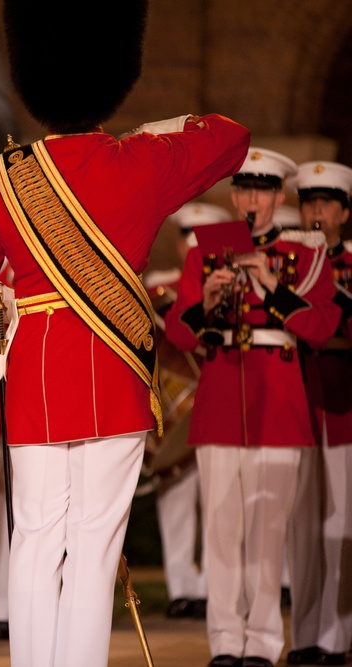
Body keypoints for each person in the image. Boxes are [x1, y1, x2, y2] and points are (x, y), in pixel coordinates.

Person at [0, 2, 251, 665]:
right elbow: (229, 135)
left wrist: (12, 312)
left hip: (36, 376)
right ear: (115, 78)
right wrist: (153, 126)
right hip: (113, 372)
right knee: (95, 541)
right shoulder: (143, 162)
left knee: (37, 538)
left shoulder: (6, 175)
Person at [165, 147, 341, 667]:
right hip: (222, 395)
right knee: (221, 531)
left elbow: (321, 327)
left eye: (261, 190)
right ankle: (224, 640)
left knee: (267, 532)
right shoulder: (204, 255)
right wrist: (207, 301)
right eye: (242, 189)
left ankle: (262, 641)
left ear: (277, 197)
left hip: (280, 401)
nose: (250, 199)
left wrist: (272, 286)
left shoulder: (305, 257)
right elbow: (179, 331)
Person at [142, 201, 231, 621]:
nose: (192, 245)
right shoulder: (161, 286)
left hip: (215, 403)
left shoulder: (231, 282)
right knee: (176, 497)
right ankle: (182, 588)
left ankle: (215, 586)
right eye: (186, 237)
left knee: (217, 504)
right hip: (177, 410)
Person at [285, 159, 352, 667]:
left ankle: (338, 637)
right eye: (309, 202)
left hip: (344, 401)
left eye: (326, 204)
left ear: (344, 213)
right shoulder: (290, 262)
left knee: (341, 524)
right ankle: (306, 636)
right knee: (300, 527)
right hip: (298, 400)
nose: (315, 213)